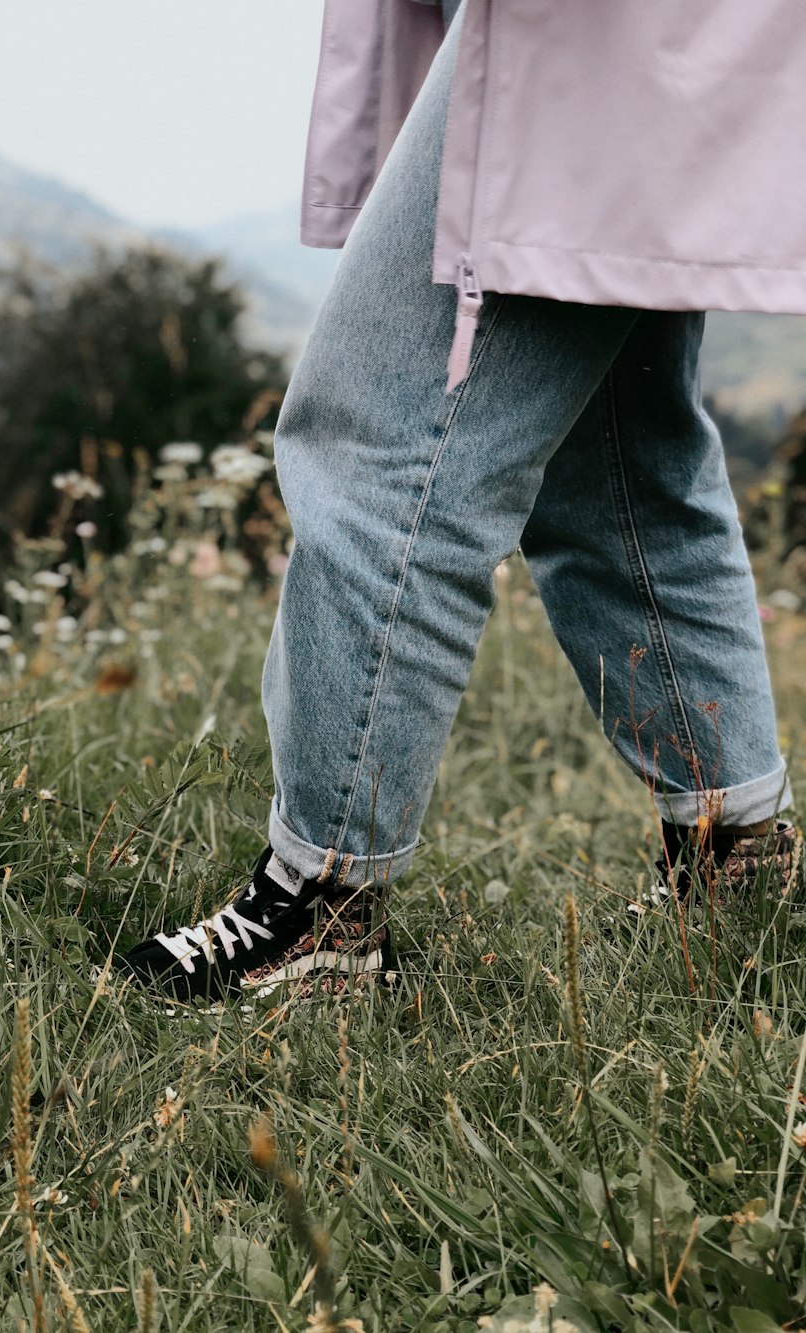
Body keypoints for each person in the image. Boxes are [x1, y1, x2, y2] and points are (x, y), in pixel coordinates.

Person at [120, 0, 801, 1001]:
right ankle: (735, 854)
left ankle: (322, 908)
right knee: (613, 460)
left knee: (383, 441)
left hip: (589, 30)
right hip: (636, 35)